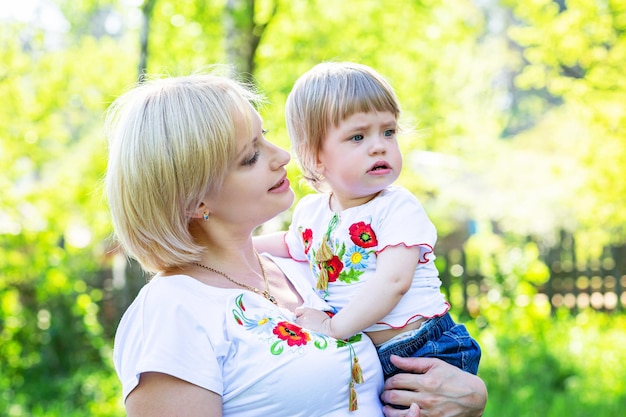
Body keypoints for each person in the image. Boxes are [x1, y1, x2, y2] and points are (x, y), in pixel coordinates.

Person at [105, 69, 487, 417]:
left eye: (265, 137)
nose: (282, 156)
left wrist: (468, 398)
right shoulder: (173, 313)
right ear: (195, 200)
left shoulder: (306, 270)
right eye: (251, 156)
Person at [254, 62, 481, 380]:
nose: (379, 146)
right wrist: (240, 245)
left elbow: (393, 282)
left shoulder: (397, 207)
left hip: (423, 347)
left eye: (389, 132)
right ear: (316, 155)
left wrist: (334, 327)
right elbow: (289, 244)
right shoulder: (312, 212)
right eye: (358, 136)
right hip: (372, 355)